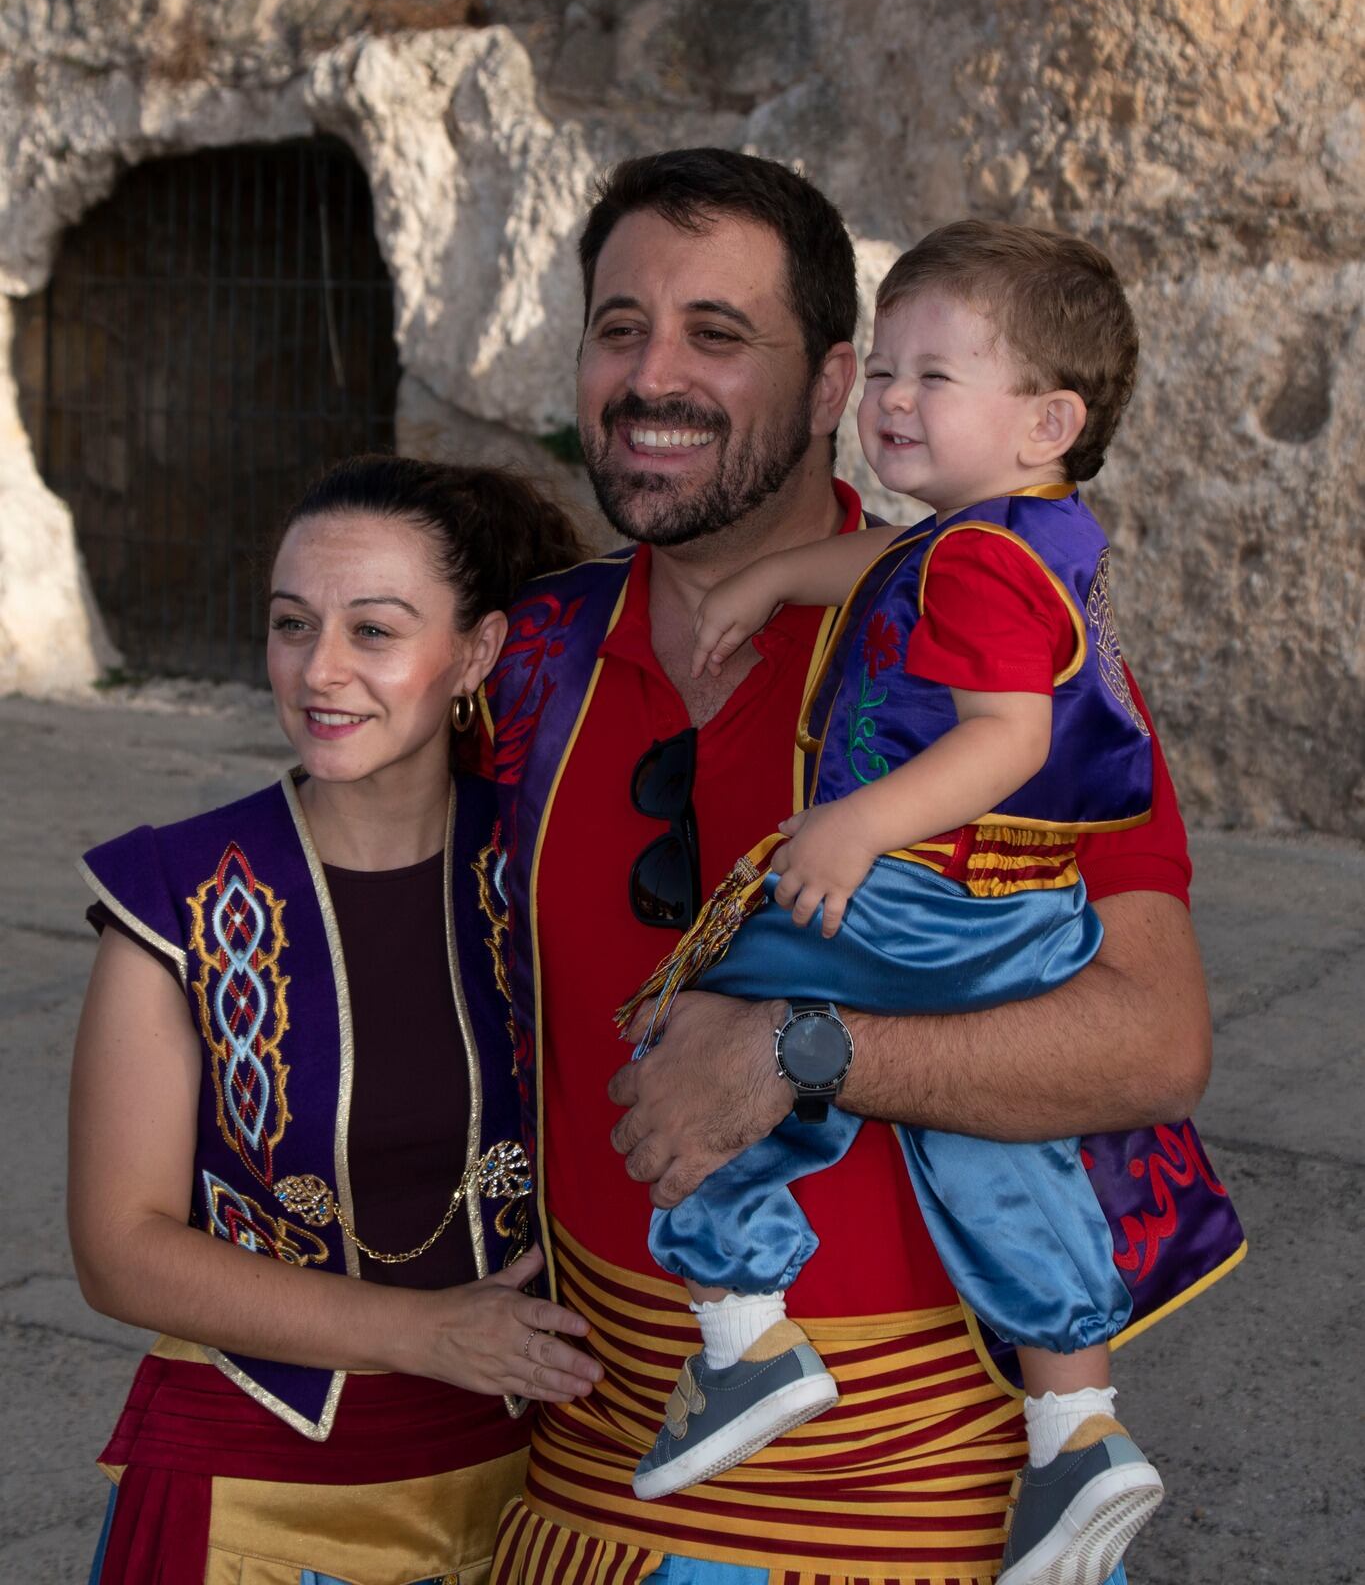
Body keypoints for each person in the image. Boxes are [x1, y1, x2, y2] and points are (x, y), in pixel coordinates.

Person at [483, 150, 1240, 1585]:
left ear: (837, 385)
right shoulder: (515, 662)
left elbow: (1153, 1047)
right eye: (617, 328)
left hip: (912, 1532)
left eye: (718, 335)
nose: (653, 377)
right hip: (574, 1511)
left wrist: (800, 1050)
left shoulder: (1007, 683)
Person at [69, 455, 603, 1585]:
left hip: (534, 1492)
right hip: (250, 1501)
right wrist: (425, 1332)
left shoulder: (554, 864)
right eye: (291, 622)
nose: (319, 669)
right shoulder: (173, 896)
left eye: (374, 630)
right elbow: (120, 1251)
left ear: (477, 651)